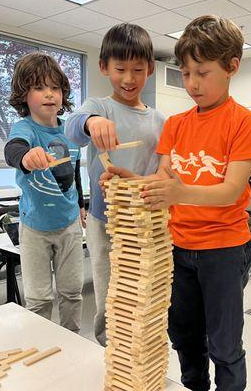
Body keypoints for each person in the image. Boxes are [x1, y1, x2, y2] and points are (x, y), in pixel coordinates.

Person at [102, 15, 251, 390]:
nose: (192, 83)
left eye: (202, 73)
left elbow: (230, 191)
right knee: (185, 338)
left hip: (224, 249)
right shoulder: (177, 124)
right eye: (187, 72)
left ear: (232, 68)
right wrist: (131, 180)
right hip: (177, 247)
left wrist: (178, 193)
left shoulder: (244, 122)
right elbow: (165, 178)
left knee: (224, 345)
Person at [64, 23, 165, 345]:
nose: (129, 79)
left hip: (145, 220)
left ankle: (140, 350)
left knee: (144, 291)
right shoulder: (99, 107)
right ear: (104, 67)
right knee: (110, 294)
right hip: (104, 220)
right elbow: (72, 129)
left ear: (150, 68)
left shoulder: (159, 120)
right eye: (120, 68)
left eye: (138, 69)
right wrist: (91, 122)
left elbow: (166, 171)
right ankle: (109, 351)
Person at [4, 52, 85, 332]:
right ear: (24, 95)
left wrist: (82, 205)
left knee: (72, 293)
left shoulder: (71, 132)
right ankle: (41, 343)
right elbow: (13, 149)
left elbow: (73, 172)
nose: (49, 94)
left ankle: (71, 340)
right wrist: (25, 157)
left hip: (70, 225)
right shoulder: (24, 128)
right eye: (39, 88)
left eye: (55, 87)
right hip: (35, 228)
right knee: (38, 299)